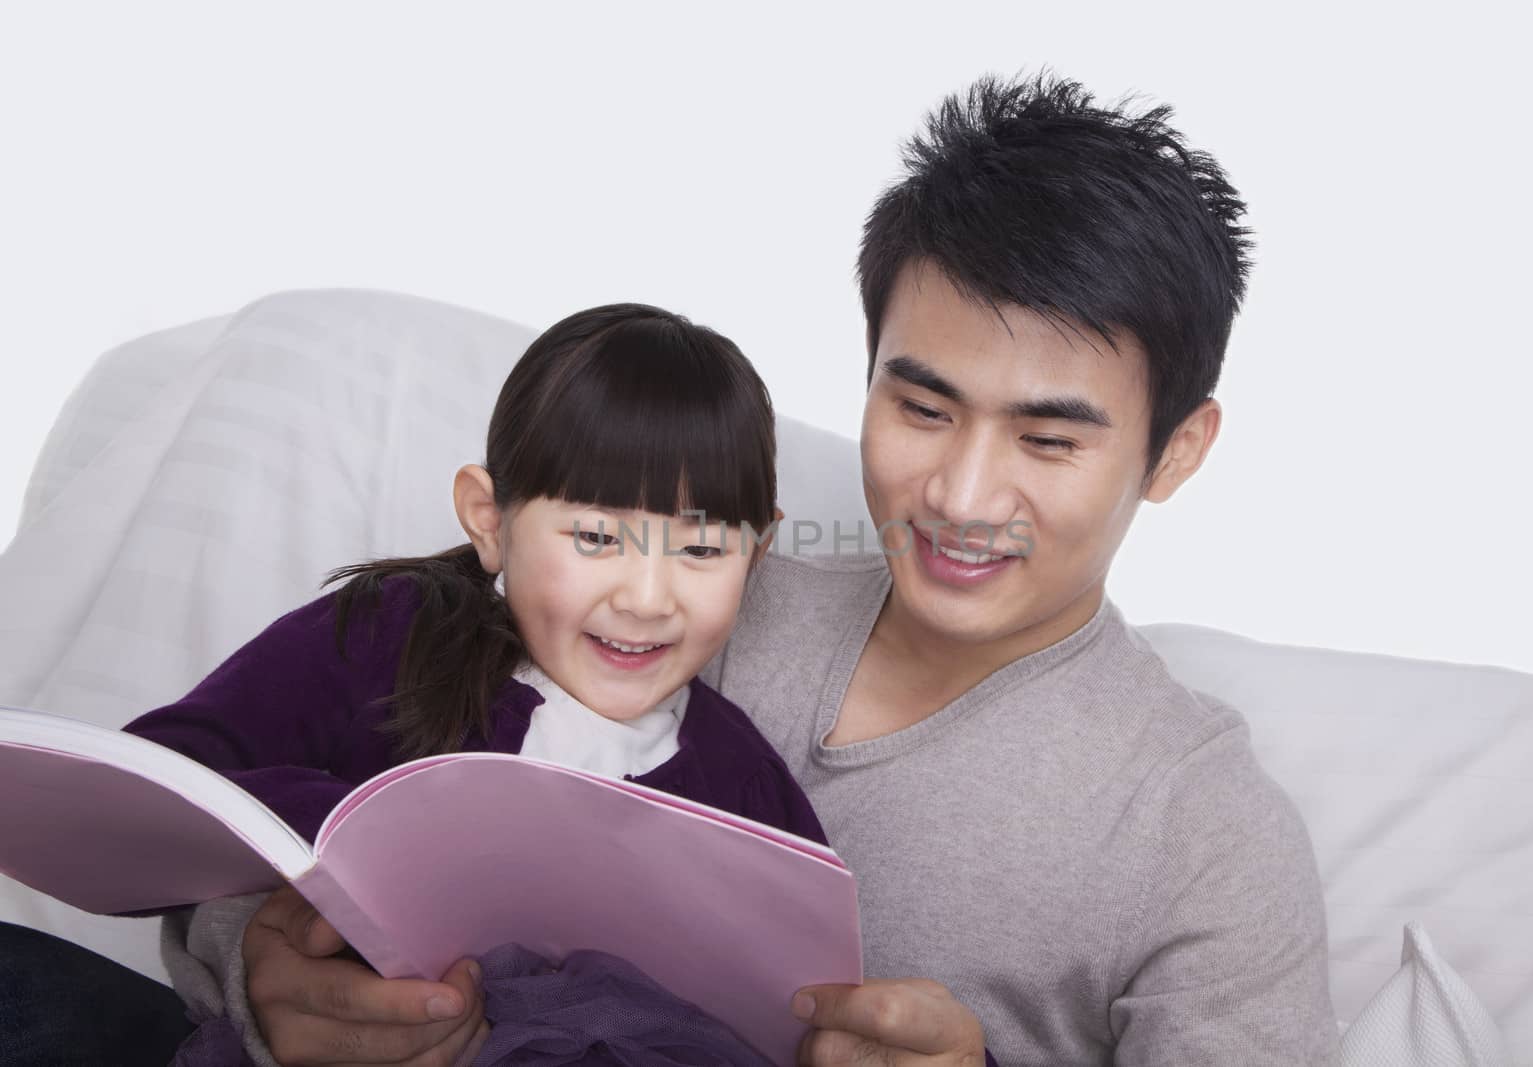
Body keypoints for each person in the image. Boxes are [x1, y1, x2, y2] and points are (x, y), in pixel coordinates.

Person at [0, 72, 1340, 1066]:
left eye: (1049, 437)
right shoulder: (682, 589)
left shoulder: (1204, 831)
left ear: (1177, 450)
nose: (962, 495)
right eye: (920, 407)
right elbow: (295, 808)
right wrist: (273, 969)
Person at [127, 301, 827, 1065]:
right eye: (595, 537)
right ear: (490, 520)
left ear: (755, 556)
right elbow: (157, 777)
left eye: (701, 549)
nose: (647, 599)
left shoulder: (745, 783)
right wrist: (370, 830)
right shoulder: (392, 634)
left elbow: (826, 1004)